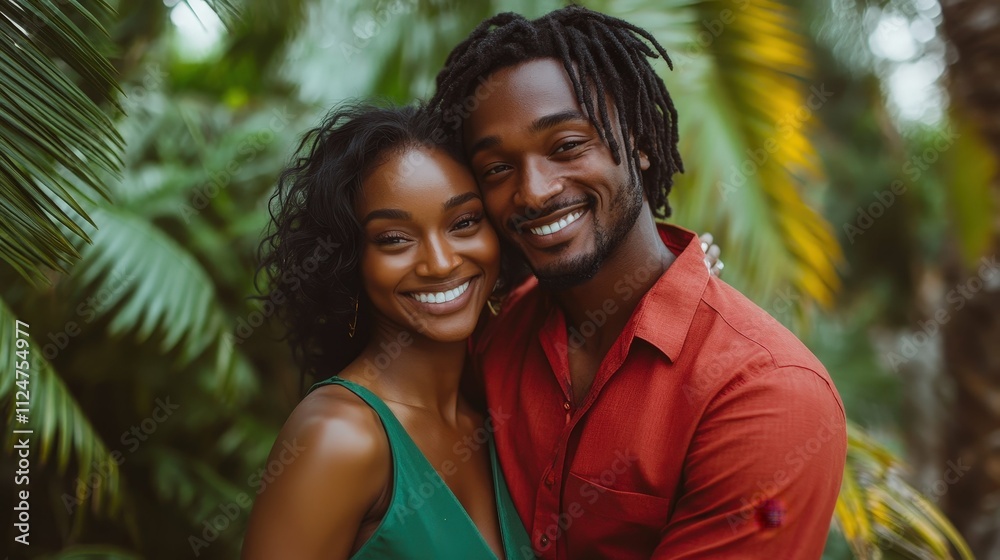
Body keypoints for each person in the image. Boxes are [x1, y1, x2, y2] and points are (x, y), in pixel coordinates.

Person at [427, 6, 847, 560]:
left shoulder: (764, 395)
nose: (533, 191)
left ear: (641, 142)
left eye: (567, 145)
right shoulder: (493, 339)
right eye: (497, 169)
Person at [241, 103, 534, 559]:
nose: (440, 263)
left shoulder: (499, 419)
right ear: (349, 261)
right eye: (395, 238)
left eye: (463, 223)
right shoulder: (338, 436)